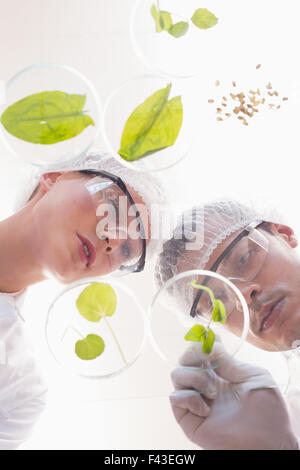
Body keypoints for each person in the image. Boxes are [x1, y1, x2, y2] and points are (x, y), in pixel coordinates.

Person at [0, 151, 166, 450]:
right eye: (112, 208)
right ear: (55, 177)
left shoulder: (18, 395)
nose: (113, 241)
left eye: (126, 251)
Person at [155, 200, 300, 449]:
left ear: (283, 233)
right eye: (218, 300)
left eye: (243, 259)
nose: (242, 296)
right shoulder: (287, 423)